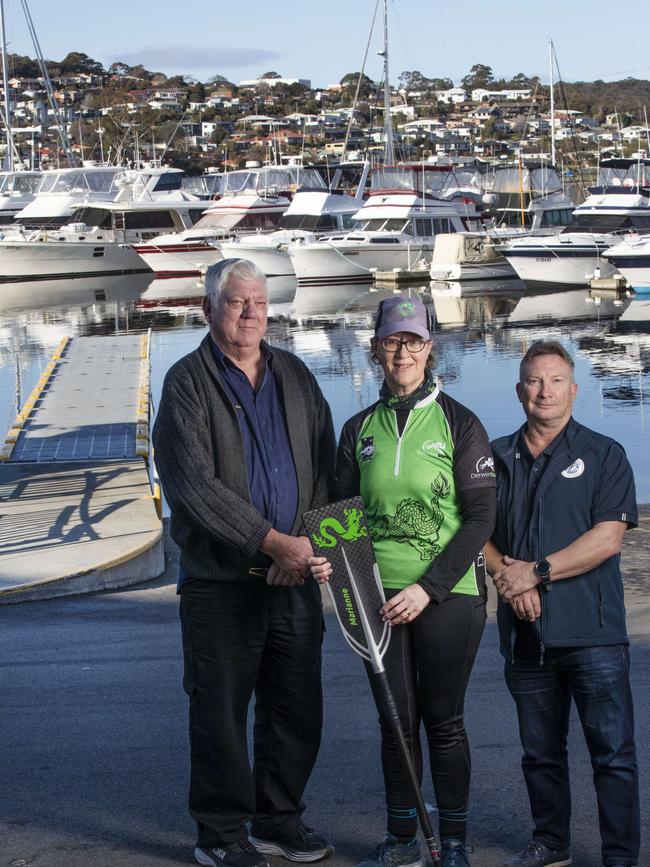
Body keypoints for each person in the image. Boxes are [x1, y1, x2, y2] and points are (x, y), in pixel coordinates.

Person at [153, 259, 336, 867]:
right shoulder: (186, 383)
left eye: (258, 302)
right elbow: (193, 487)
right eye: (236, 303)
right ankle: (222, 835)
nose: (251, 313)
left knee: (295, 707)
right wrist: (268, 541)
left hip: (295, 577)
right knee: (219, 714)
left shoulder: (296, 375)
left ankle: (280, 819)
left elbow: (325, 466)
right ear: (209, 310)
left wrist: (301, 545)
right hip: (221, 585)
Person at [310, 295, 496, 867]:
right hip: (376, 599)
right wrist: (331, 565)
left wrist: (428, 588)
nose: (402, 352)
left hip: (448, 596)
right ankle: (402, 841)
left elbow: (481, 519)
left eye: (413, 341)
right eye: (392, 341)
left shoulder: (461, 422)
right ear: (375, 350)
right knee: (396, 725)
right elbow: (340, 516)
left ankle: (456, 842)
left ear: (429, 349)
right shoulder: (357, 428)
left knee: (443, 723)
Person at [485, 340, 640, 867]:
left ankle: (620, 855)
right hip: (524, 633)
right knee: (539, 754)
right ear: (519, 390)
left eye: (554, 380)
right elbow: (475, 533)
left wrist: (537, 571)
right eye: (534, 380)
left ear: (574, 390)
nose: (544, 390)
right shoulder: (495, 456)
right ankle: (551, 843)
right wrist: (510, 577)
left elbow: (607, 538)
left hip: (592, 633)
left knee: (613, 757)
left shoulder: (604, 454)